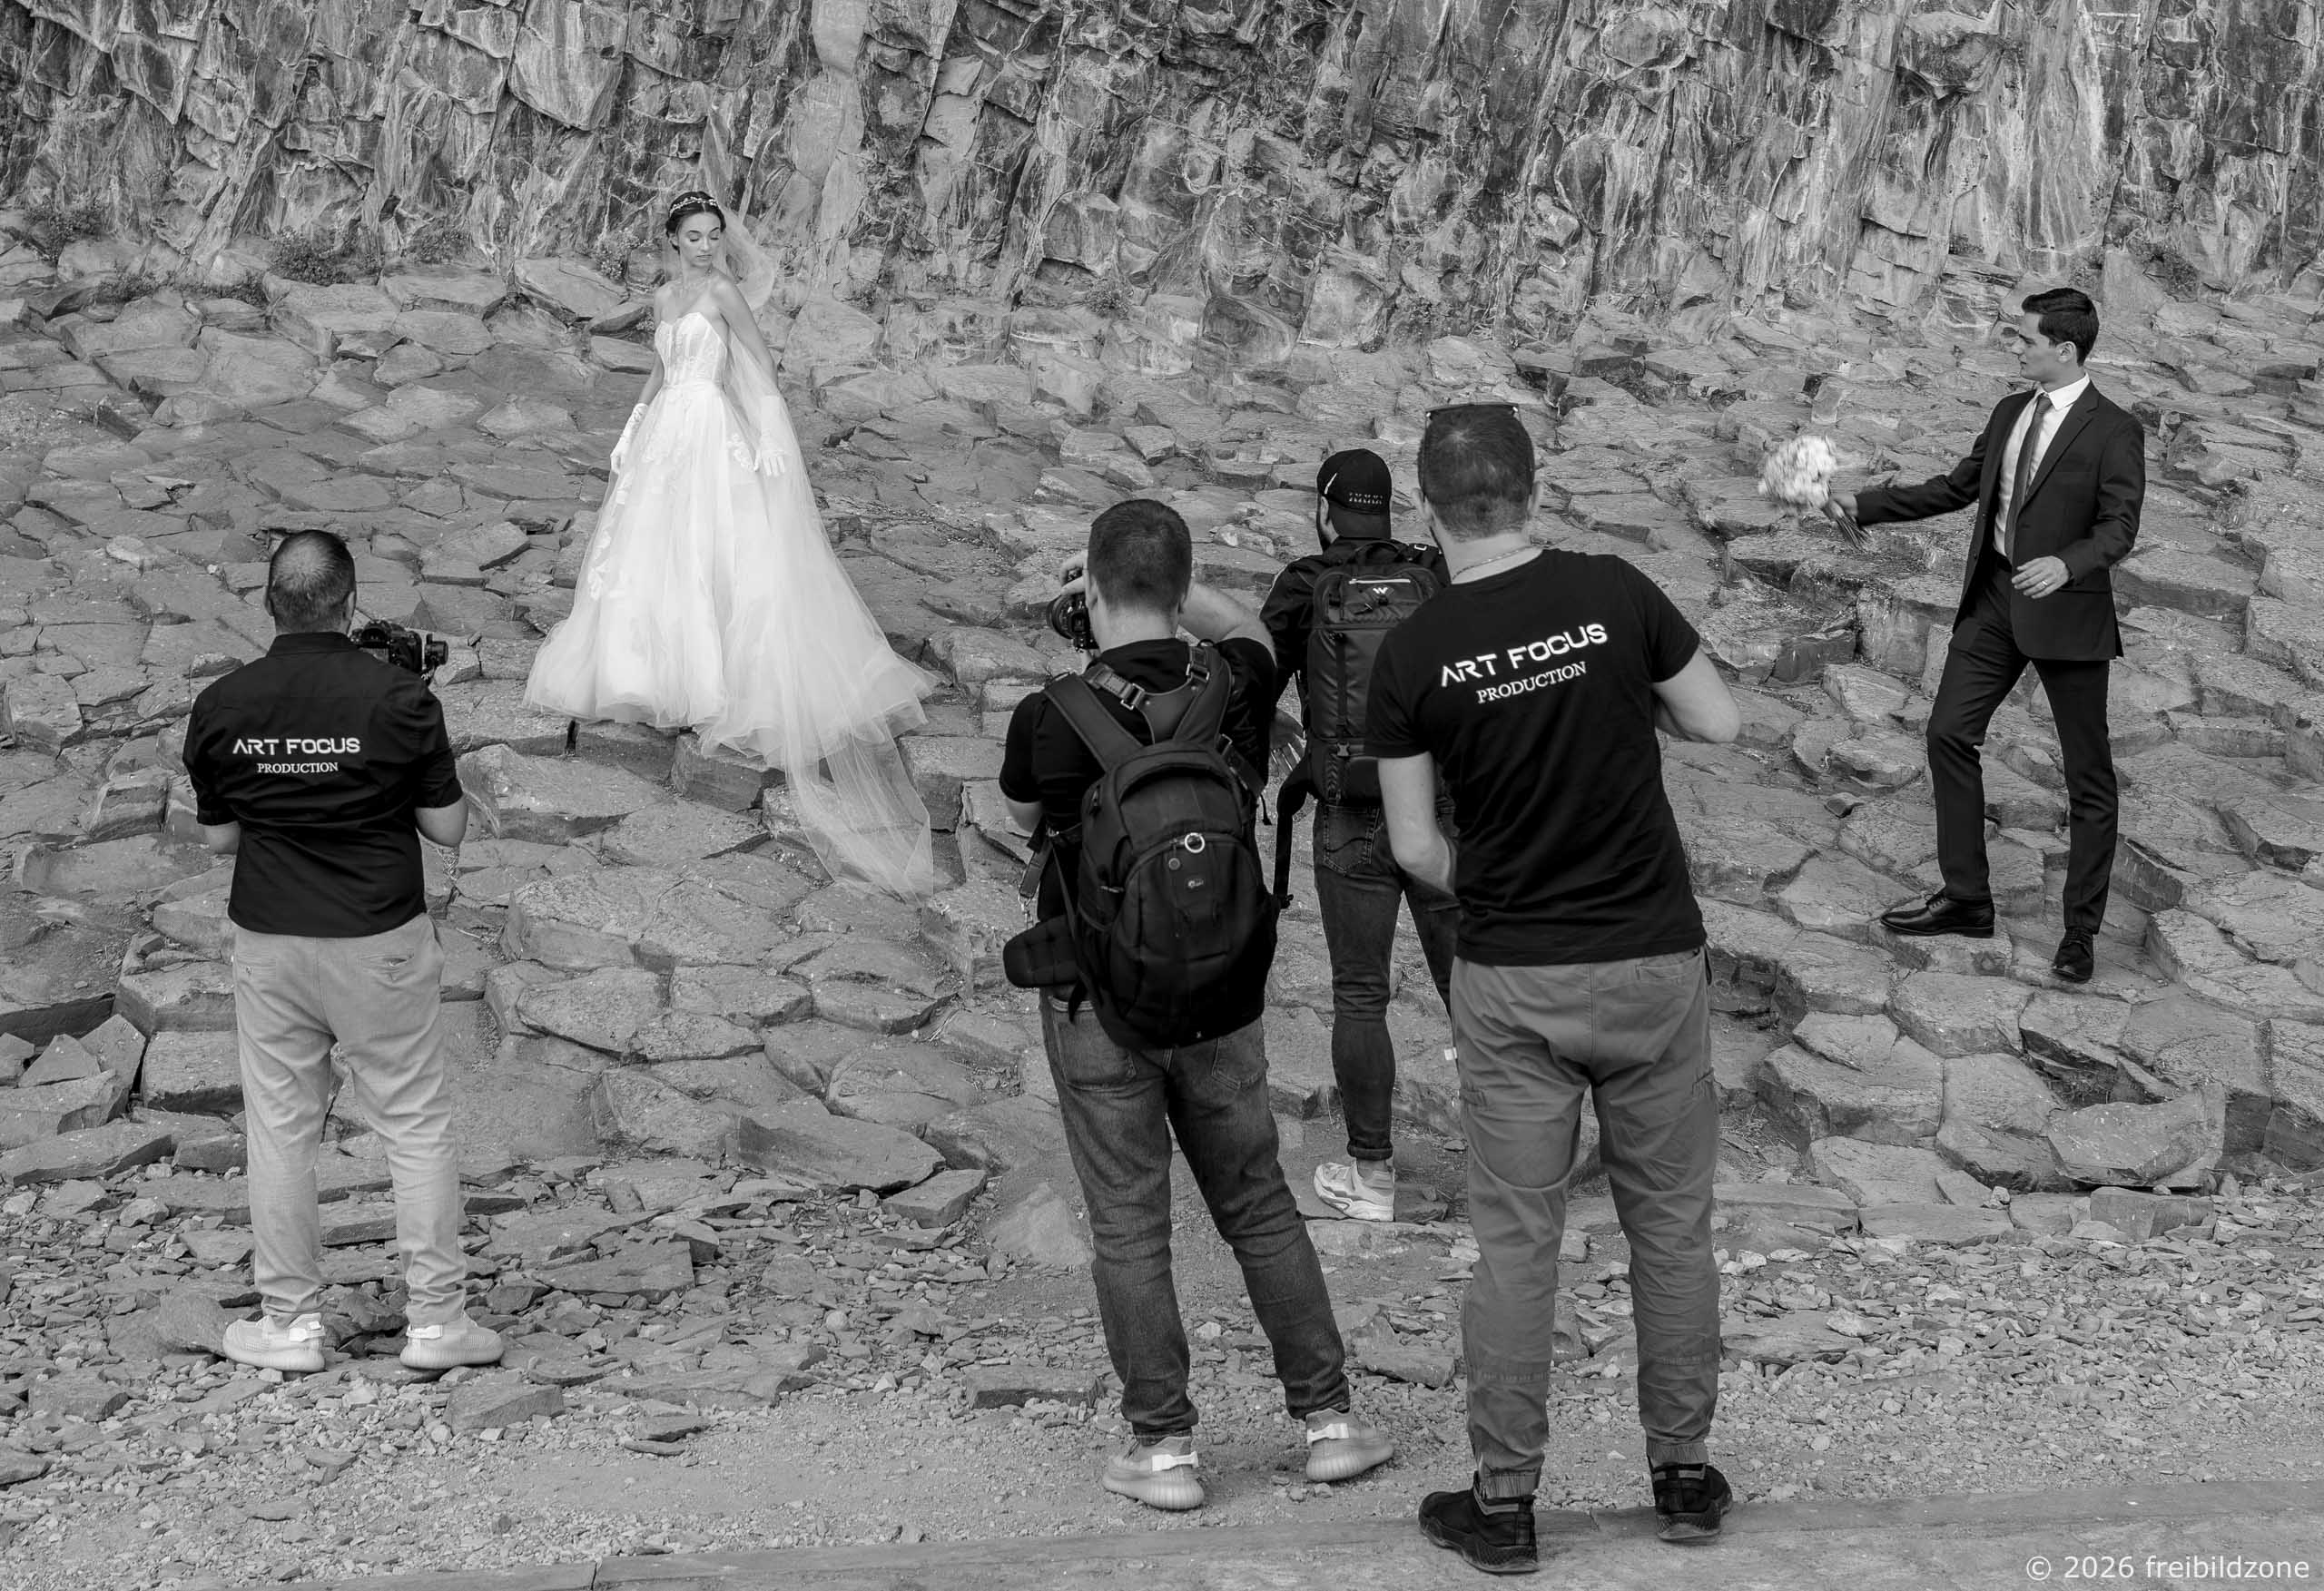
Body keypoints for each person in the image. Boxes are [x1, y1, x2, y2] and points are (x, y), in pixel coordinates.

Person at [1367, 405, 1743, 1573]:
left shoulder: (1414, 652)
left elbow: (1418, 851)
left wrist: (1503, 876)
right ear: (1535, 488)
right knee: (1670, 1225)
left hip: (1515, 971)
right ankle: (1680, 1475)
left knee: (1518, 1241)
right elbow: (1717, 720)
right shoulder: (1616, 591)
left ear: (1426, 510)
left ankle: (1506, 1499)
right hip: (1648, 957)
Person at [999, 499, 1394, 1512]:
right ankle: (1330, 1422)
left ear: (1086, 586)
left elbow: (1022, 821)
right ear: (1180, 591)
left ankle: (1163, 1447)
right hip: (1223, 992)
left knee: (1129, 1225)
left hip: (1098, 1001)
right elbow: (1249, 630)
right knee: (1258, 1204)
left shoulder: (1048, 717)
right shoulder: (1237, 684)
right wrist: (1179, 595)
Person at [525, 189, 936, 898]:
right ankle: (649, 672)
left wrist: (771, 440)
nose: (707, 244)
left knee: (715, 546)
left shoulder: (723, 293)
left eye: (715, 234)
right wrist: (631, 428)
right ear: (672, 240)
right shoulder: (663, 299)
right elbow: (659, 369)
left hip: (714, 430)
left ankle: (711, 678)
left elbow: (761, 365)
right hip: (666, 435)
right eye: (694, 235)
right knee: (654, 549)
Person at [182, 531, 502, 1377]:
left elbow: (218, 840)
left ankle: (289, 1324)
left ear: (270, 604)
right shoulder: (399, 697)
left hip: (271, 939)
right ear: (352, 603)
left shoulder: (222, 704)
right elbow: (449, 827)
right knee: (414, 1123)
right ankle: (436, 1324)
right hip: (378, 939)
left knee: (282, 1130)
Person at [1826, 288, 2144, 984]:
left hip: (2067, 614)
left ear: (2065, 348)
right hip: (1995, 600)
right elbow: (1956, 487)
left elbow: (2120, 527)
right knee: (1947, 733)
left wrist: (2068, 564)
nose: (2015, 346)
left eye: (2025, 338)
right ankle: (1967, 897)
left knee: (2088, 778)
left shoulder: (2115, 430)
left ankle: (2080, 932)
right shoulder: (2008, 412)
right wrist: (1867, 505)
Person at [1261, 448, 1456, 1223]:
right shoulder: (1434, 574)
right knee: (1470, 988)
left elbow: (1257, 679)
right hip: (1439, 808)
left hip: (1350, 814)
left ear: (1325, 508)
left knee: (1362, 995)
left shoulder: (1307, 584)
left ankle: (1371, 1177)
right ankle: (1515, 1157)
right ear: (1389, 506)